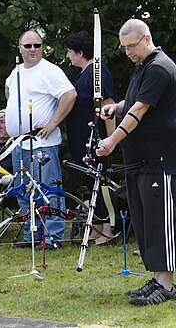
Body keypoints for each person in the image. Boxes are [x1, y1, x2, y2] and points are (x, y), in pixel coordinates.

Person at [96, 19, 176, 306]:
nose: (128, 51)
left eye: (132, 45)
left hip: (159, 160)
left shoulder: (159, 68)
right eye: (124, 47)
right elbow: (133, 102)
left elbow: (139, 110)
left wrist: (112, 141)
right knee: (146, 222)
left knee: (160, 222)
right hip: (140, 160)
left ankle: (166, 285)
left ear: (147, 39)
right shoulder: (143, 67)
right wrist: (115, 107)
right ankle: (157, 278)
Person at [5, 30, 76, 249]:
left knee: (48, 189)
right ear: (20, 48)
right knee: (23, 189)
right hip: (19, 143)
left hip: (42, 142)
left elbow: (69, 94)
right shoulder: (16, 72)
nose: (33, 49)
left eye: (37, 45)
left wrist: (53, 123)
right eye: (28, 46)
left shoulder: (50, 70)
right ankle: (32, 234)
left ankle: (53, 236)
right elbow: (9, 92)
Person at [64, 31, 117, 246]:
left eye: (70, 51)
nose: (68, 56)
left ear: (80, 52)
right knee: (91, 182)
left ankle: (108, 229)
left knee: (101, 182)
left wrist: (111, 139)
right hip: (83, 143)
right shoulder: (84, 74)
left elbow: (108, 104)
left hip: (98, 140)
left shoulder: (97, 71)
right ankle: (96, 227)